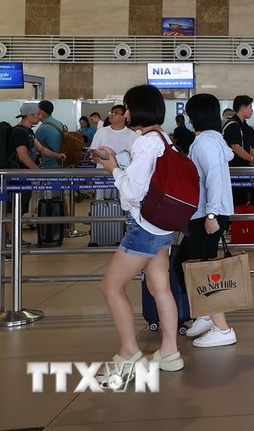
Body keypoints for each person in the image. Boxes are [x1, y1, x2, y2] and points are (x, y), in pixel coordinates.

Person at [92, 84, 184, 378]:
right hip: (162, 226)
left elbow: (133, 189)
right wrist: (118, 163)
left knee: (110, 286)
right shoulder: (164, 139)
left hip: (144, 226)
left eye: (128, 108)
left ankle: (129, 353)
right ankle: (169, 351)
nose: (126, 113)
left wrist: (112, 169)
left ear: (139, 109)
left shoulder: (145, 142)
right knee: (160, 287)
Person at [180, 93, 238, 348]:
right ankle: (205, 314)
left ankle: (222, 329)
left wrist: (212, 214)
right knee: (185, 263)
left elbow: (213, 177)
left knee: (203, 269)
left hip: (207, 214)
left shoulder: (204, 143)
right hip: (206, 212)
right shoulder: (214, 140)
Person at [222, 95, 254, 206]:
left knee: (242, 198)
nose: (252, 110)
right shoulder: (233, 126)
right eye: (250, 107)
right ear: (243, 108)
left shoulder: (243, 126)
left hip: (241, 169)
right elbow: (236, 147)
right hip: (233, 170)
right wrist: (253, 159)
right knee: (235, 199)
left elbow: (246, 147)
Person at [35, 100, 66, 169]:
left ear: (42, 113)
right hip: (62, 161)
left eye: (38, 111)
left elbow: (34, 146)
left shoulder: (43, 128)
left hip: (51, 164)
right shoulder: (59, 123)